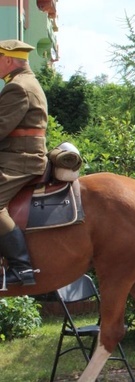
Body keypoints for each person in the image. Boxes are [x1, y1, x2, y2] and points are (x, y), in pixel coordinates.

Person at [0, 40, 48, 286]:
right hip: (18, 157)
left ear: (8, 60)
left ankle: (21, 268)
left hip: (20, 161)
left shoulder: (17, 87)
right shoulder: (24, 82)